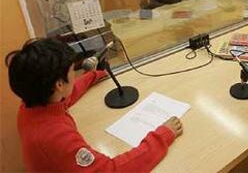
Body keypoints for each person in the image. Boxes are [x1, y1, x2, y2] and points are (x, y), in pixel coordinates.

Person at [6, 38, 183, 171]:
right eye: (71, 72)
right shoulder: (55, 138)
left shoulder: (32, 104)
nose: (75, 75)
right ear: (59, 85)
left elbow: (67, 95)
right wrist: (162, 136)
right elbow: (112, 170)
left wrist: (94, 75)